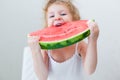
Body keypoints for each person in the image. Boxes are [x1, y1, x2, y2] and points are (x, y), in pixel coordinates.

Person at [27, 0, 99, 80]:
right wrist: (35, 51)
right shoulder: (47, 49)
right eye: (51, 16)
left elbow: (90, 70)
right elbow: (42, 77)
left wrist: (93, 40)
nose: (57, 17)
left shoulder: (79, 44)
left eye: (63, 14)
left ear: (74, 19)